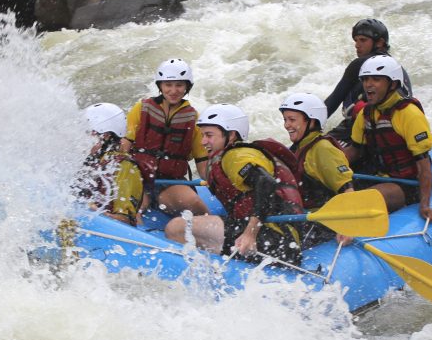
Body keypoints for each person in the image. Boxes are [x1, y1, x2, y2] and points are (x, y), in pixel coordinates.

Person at [165, 104, 304, 265]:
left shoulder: (236, 156)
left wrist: (250, 234)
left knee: (175, 228)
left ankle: (212, 273)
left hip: (275, 240)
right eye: (202, 135)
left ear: (231, 135)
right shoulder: (234, 154)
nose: (203, 141)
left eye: (209, 135)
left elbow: (266, 184)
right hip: (280, 240)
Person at [343, 55, 432, 221]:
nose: (368, 84)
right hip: (376, 176)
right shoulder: (366, 113)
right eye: (365, 79)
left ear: (393, 84)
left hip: (406, 184)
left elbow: (423, 166)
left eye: (376, 79)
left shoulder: (409, 114)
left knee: (364, 200)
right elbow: (354, 151)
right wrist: (328, 165)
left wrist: (424, 204)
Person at [121, 58, 209, 216]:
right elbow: (125, 145)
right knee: (136, 209)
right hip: (139, 178)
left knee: (194, 203)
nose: (173, 91)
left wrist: (217, 182)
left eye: (179, 85)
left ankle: (217, 231)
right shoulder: (141, 108)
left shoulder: (193, 117)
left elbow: (202, 161)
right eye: (168, 85)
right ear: (160, 86)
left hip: (170, 183)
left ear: (187, 87)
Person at [280, 92, 354, 247]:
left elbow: (347, 190)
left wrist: (348, 227)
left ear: (312, 121)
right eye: (285, 119)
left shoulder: (323, 149)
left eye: (292, 120)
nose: (287, 125)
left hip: (322, 222)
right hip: (305, 217)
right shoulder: (300, 146)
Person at [325, 18, 413, 148]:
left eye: (363, 40)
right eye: (356, 40)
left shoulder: (359, 64)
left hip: (364, 129)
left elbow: (333, 101)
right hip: (393, 129)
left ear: (380, 42)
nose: (357, 45)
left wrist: (309, 122)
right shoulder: (396, 68)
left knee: (314, 152)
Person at [72, 102, 143, 226]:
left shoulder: (124, 167)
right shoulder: (89, 161)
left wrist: (93, 210)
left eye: (89, 134)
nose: (82, 139)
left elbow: (125, 221)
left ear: (106, 136)